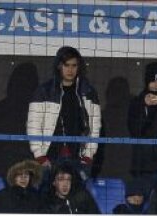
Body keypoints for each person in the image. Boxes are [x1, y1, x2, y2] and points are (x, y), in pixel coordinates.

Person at [27, 46, 101, 177]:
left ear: (79, 67)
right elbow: (34, 125)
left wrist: (88, 156)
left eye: (74, 65)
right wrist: (40, 156)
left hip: (78, 158)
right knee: (47, 189)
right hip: (49, 158)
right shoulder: (44, 91)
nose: (70, 70)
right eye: (66, 65)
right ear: (59, 66)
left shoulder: (88, 92)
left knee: (79, 190)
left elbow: (95, 126)